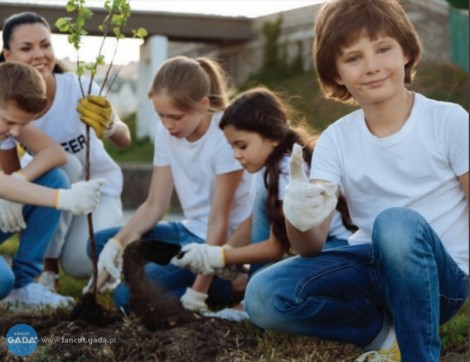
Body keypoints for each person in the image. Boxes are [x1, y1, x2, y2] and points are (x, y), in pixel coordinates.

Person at [243, 1, 469, 361]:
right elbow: (310, 247)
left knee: (395, 224)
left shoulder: (448, 120)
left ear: (406, 52)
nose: (372, 67)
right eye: (353, 58)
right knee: (263, 293)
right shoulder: (335, 140)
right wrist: (298, 215)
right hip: (371, 268)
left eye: (383, 49)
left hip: (441, 281)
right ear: (335, 73)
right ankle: (382, 335)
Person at [89, 56, 255, 314]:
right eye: (160, 115)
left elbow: (218, 222)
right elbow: (155, 205)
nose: (167, 124)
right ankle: (163, 281)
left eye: (175, 117)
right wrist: (117, 244)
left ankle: (229, 283)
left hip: (219, 244)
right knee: (98, 244)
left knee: (125, 297)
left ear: (203, 104)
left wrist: (197, 293)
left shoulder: (225, 136)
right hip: (187, 232)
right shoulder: (165, 132)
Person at [173, 86, 355, 294]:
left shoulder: (287, 172)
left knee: (272, 287)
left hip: (336, 248)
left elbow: (274, 248)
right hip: (317, 247)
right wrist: (224, 251)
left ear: (273, 137)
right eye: (232, 147)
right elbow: (252, 221)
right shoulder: (267, 168)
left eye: (242, 146)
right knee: (261, 201)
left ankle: (251, 296)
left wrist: (217, 257)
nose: (236, 155)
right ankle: (251, 292)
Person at [0, 12, 132, 289]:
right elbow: (11, 175)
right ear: (8, 56)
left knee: (80, 263)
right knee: (66, 168)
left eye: (45, 45)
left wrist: (111, 126)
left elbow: (124, 139)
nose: (39, 55)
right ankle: (47, 272)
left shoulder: (80, 88)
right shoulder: (9, 105)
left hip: (97, 189)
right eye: (26, 48)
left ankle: (120, 251)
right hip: (60, 188)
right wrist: (15, 186)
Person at [0, 61, 106, 308]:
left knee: (55, 177)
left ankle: (23, 286)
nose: (15, 132)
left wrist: (19, 180)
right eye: (9, 121)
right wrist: (65, 199)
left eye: (22, 124)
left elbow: (56, 153)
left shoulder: (7, 122)